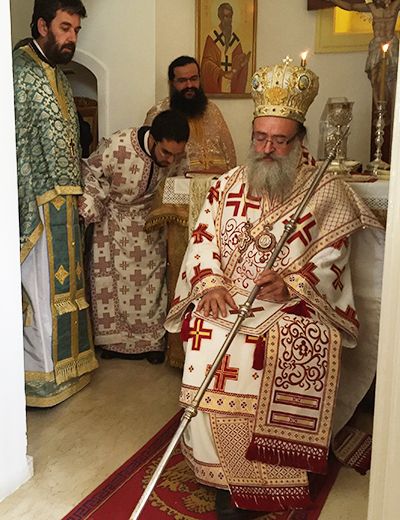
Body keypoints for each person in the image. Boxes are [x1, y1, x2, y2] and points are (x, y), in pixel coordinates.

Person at [164, 57, 384, 517]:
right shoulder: (226, 185)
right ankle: (220, 471)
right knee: (208, 334)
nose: (266, 148)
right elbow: (202, 241)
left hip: (292, 305)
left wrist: (292, 284)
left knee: (271, 347)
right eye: (260, 137)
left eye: (279, 140)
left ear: (299, 139)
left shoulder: (325, 191)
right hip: (229, 297)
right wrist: (210, 284)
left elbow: (334, 259)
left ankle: (274, 469)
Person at [13, 0, 98, 407]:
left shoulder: (59, 77)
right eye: (66, 28)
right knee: (42, 295)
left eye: (76, 30)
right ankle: (41, 378)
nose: (72, 38)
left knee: (67, 291)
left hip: (66, 204)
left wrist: (79, 193)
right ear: (42, 25)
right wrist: (25, 205)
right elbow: (16, 146)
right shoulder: (18, 72)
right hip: (37, 205)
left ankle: (71, 368)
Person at [78, 110, 190, 365]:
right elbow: (89, 171)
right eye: (166, 153)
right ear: (153, 139)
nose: (171, 160)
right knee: (114, 286)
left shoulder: (178, 155)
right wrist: (92, 201)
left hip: (150, 223)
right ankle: (113, 342)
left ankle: (151, 342)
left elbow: (180, 181)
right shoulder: (118, 145)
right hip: (114, 223)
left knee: (151, 286)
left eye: (177, 154)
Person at [144, 55, 236, 174]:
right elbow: (150, 161)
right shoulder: (158, 113)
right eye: (182, 80)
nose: (189, 85)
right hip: (179, 183)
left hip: (216, 183)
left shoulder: (213, 110)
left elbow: (229, 154)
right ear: (171, 83)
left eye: (194, 79)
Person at [326, 0, 400, 106]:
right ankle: (379, 106)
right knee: (374, 78)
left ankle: (392, 107)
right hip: (377, 45)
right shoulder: (372, 7)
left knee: (390, 78)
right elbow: (350, 6)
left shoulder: (395, 5)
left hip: (391, 44)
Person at [201, 2, 251, 94]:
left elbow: (237, 62)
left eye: (230, 17)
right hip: (216, 88)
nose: (229, 20)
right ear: (220, 17)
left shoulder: (235, 41)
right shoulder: (212, 38)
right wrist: (222, 73)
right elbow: (206, 64)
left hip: (232, 88)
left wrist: (242, 64)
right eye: (226, 17)